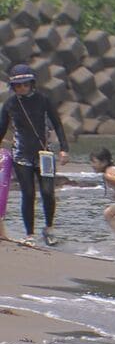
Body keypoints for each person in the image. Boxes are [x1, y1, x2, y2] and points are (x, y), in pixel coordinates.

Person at [0, 63, 70, 245]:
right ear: (13, 87)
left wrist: (64, 149)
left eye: (25, 84)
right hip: (20, 155)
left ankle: (49, 228)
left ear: (32, 83)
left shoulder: (43, 100)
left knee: (48, 192)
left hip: (44, 153)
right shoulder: (10, 104)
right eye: (18, 85)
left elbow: (57, 124)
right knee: (28, 193)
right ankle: (29, 234)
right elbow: (1, 129)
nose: (22, 88)